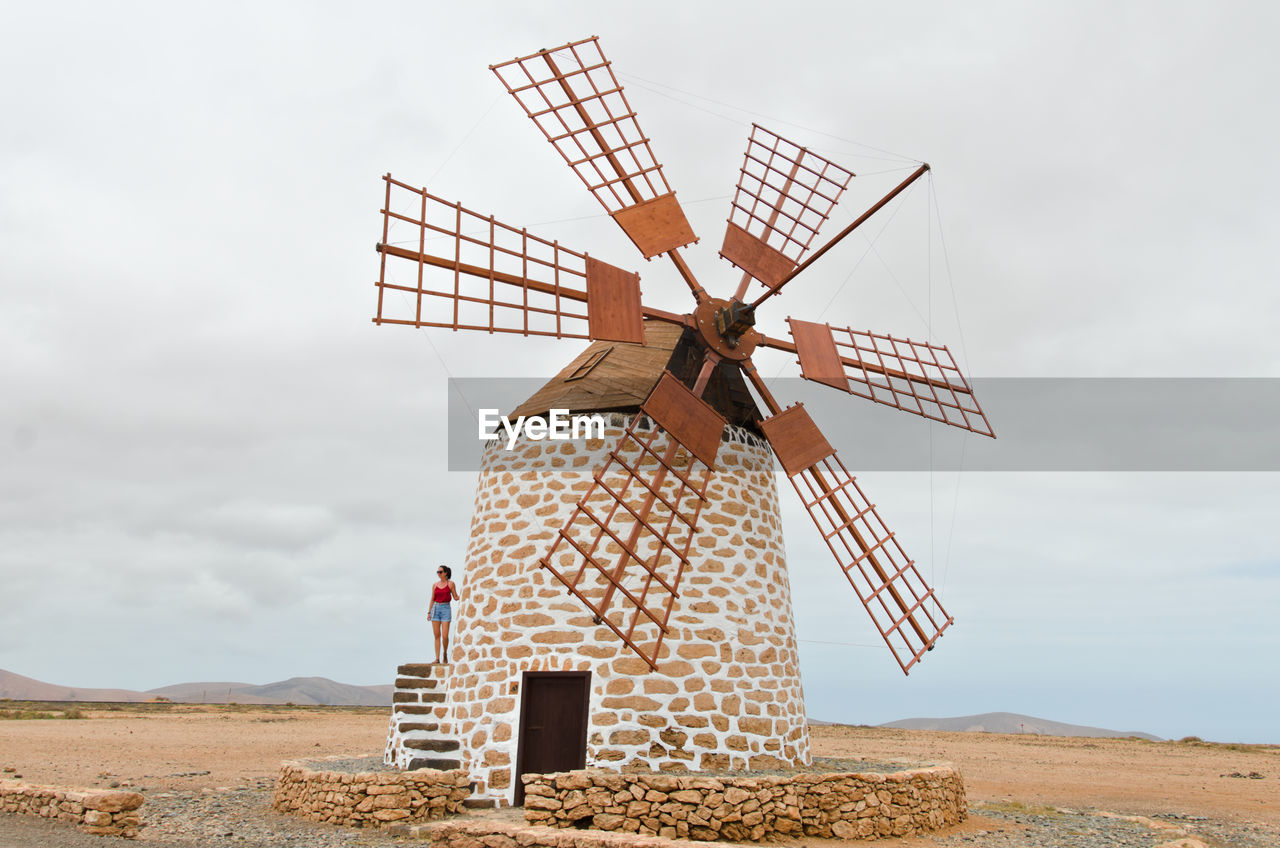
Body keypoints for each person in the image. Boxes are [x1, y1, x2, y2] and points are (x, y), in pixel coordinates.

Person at [428, 565, 460, 664]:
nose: (438, 573)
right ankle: (437, 659)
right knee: (437, 635)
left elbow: (455, 597)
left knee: (445, 636)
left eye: (440, 572)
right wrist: (429, 612)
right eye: (437, 572)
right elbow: (432, 599)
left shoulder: (450, 584)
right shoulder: (435, 585)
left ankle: (445, 653)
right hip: (436, 608)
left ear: (446, 573)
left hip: (446, 608)